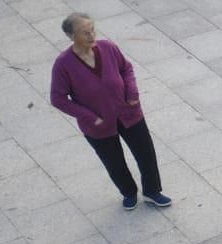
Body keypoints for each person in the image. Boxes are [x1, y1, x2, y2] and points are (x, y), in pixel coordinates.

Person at [50, 13, 171, 211]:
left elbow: (127, 69)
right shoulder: (63, 64)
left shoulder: (108, 47)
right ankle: (129, 193)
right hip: (98, 125)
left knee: (146, 154)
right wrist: (88, 116)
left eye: (92, 29)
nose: (91, 35)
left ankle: (152, 192)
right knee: (114, 162)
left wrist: (132, 93)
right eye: (84, 32)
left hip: (129, 113)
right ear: (71, 36)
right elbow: (58, 98)